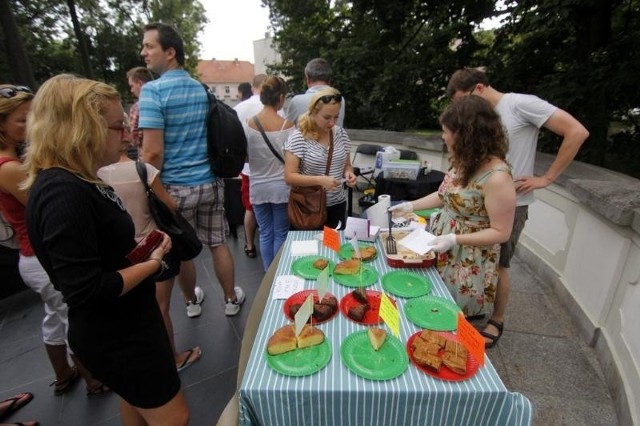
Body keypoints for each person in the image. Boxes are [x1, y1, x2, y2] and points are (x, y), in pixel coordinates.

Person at [24, 74, 188, 425]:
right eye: (118, 127)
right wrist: (153, 264)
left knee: (136, 404)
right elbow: (85, 289)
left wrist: (140, 247)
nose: (127, 135)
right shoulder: (62, 191)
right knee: (175, 418)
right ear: (84, 128)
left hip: (129, 323)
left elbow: (98, 249)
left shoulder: (80, 179)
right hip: (118, 335)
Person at [446, 67, 589, 347]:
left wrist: (547, 178)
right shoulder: (482, 115)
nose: (461, 108)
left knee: (500, 264)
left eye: (462, 99)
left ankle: (496, 319)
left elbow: (576, 131)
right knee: (475, 258)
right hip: (477, 198)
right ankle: (470, 306)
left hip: (510, 202)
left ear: (478, 88)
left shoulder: (521, 104)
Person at [0, 84, 107, 397]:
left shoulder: (11, 162)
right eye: (22, 120)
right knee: (72, 316)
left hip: (31, 256)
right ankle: (94, 379)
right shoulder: (8, 168)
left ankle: (63, 374)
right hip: (39, 256)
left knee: (53, 316)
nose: (31, 124)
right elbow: (46, 206)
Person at [139, 22, 245, 316]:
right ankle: (230, 299)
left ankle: (191, 302)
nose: (143, 52)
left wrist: (150, 189)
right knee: (218, 243)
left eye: (149, 46)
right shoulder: (201, 89)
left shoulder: (152, 92)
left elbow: (152, 151)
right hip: (210, 183)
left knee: (181, 250)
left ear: (170, 52)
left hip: (173, 189)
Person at [390, 95, 516, 319]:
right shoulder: (464, 162)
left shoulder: (497, 178)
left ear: (467, 135)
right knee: (434, 300)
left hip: (468, 254)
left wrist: (455, 239)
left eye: (447, 131)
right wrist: (409, 206)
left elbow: (501, 232)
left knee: (454, 312)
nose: (443, 136)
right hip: (445, 243)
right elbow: (443, 195)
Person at [98, 150, 202, 372]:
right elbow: (170, 206)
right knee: (161, 307)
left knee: (134, 307)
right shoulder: (144, 170)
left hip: (120, 251)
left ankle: (141, 356)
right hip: (153, 246)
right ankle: (172, 358)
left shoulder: (96, 174)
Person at [284, 88, 357, 229]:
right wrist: (320, 180)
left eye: (336, 117)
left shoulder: (341, 134)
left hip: (337, 205)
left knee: (333, 249)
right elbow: (289, 177)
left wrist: (349, 173)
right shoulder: (299, 137)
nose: (332, 123)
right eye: (327, 117)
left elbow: (347, 165)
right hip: (309, 207)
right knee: (310, 250)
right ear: (313, 112)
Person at [245, 76, 295, 270]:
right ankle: (279, 272)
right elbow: (294, 158)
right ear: (280, 97)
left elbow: (246, 157)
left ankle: (268, 272)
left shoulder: (249, 123)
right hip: (282, 187)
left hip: (257, 186)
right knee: (281, 232)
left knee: (265, 232)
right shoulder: (288, 126)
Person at [234, 74, 267, 260]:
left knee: (250, 207)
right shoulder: (276, 108)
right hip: (273, 167)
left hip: (248, 167)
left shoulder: (239, 108)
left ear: (253, 86)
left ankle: (249, 245)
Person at [285, 58, 346, 126]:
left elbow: (286, 131)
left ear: (307, 79)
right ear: (329, 79)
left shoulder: (297, 101)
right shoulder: (339, 99)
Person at [125, 66, 155, 157]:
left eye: (132, 86)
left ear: (140, 83)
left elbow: (134, 137)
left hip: (146, 157)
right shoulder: (162, 101)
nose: (131, 90)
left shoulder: (137, 107)